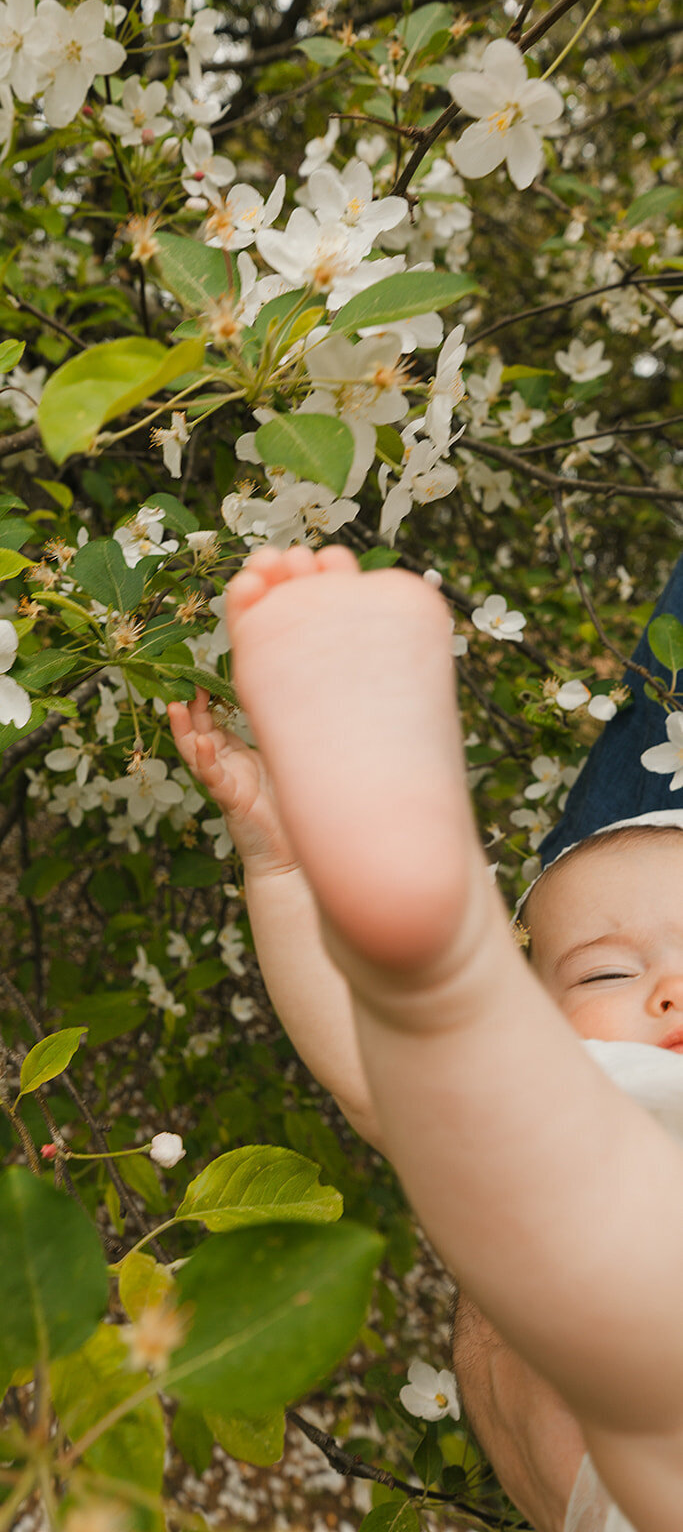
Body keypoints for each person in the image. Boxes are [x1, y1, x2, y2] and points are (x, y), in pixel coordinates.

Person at [168, 542, 683, 1532]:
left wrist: (283, 868)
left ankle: (444, 973)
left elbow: (376, 1085)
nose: (669, 990)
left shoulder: (579, 1106)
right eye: (605, 976)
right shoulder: (589, 1087)